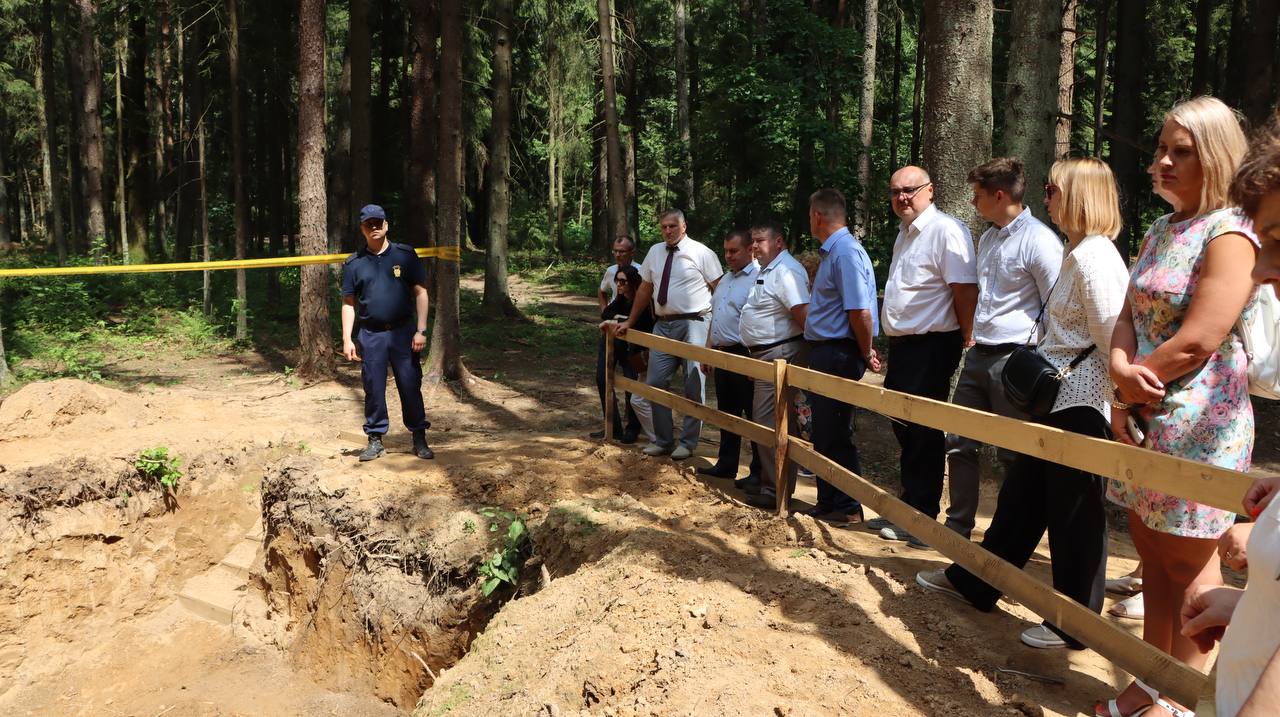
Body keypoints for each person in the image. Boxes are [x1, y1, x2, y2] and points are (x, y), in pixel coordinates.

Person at [916, 157, 1129, 652]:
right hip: (1057, 400)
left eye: (1054, 188)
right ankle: (979, 580)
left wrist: (1119, 406)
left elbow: (1110, 338)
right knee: (1022, 500)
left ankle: (1074, 622)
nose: (1046, 196)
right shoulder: (1079, 252)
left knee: (1075, 511)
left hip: (1081, 403)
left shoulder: (1095, 257)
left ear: (1078, 196)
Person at [1103, 96, 1258, 717]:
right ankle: (1150, 681)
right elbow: (1126, 314)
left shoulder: (1231, 231)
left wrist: (1133, 383)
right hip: (1147, 415)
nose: (1162, 162)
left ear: (1215, 158)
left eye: (1181, 152)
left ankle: (1187, 701)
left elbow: (1201, 337)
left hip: (1201, 426)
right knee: (1152, 557)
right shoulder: (1161, 228)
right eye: (1161, 149)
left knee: (1191, 567)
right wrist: (1120, 376)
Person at [944, 157, 1062, 540]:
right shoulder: (988, 237)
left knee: (1014, 454)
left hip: (1017, 359)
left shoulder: (1041, 241)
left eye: (978, 196)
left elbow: (1055, 308)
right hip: (979, 354)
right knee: (959, 441)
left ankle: (1006, 537)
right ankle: (957, 527)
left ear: (999, 195)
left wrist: (1040, 362)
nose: (974, 204)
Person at [875, 166, 977, 548]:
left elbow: (964, 289)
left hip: (934, 345)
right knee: (903, 424)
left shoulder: (945, 230)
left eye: (910, 190)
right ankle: (909, 505)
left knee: (922, 430)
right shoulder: (905, 233)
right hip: (905, 348)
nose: (902, 197)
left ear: (930, 191)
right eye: (895, 191)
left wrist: (967, 335)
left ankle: (920, 516)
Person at [617, 209, 723, 460]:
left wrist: (714, 331)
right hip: (662, 324)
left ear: (684, 226)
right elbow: (645, 288)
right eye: (663, 226)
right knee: (654, 383)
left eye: (673, 226)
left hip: (694, 321)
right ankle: (663, 440)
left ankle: (687, 442)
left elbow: (720, 289)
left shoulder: (702, 252)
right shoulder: (655, 252)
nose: (668, 231)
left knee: (693, 383)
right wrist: (631, 321)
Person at [801, 189, 880, 524]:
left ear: (817, 216)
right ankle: (829, 499)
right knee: (823, 430)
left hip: (838, 352)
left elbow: (860, 311)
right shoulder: (832, 253)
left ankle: (848, 506)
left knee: (835, 431)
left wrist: (864, 352)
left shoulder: (845, 252)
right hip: (825, 351)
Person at [340, 204, 434, 462]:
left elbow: (421, 293)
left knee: (410, 385)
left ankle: (419, 437)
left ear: (386, 225)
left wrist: (421, 330)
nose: (374, 228)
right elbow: (348, 303)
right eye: (369, 224)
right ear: (362, 229)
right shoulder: (354, 264)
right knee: (373, 388)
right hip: (371, 335)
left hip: (404, 333)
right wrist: (347, 338)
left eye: (378, 223)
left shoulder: (405, 255)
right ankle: (375, 440)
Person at [738, 219, 809, 510]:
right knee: (767, 423)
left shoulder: (788, 272)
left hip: (780, 355)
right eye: (752, 241)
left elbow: (803, 316)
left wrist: (800, 358)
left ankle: (776, 490)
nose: (754, 246)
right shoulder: (767, 270)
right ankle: (772, 485)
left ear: (779, 242)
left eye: (760, 241)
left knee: (771, 424)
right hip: (763, 356)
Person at [697, 230, 763, 483]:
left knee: (753, 414)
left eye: (733, 251)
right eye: (725, 251)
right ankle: (726, 464)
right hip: (722, 353)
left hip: (744, 354)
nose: (728, 256)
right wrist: (708, 349)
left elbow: (757, 320)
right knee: (727, 412)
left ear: (751, 250)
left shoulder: (758, 278)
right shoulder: (725, 279)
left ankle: (758, 471)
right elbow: (716, 316)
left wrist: (752, 357)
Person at [599, 264, 657, 444]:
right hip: (626, 349)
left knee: (638, 394)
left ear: (632, 282)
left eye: (623, 281)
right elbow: (606, 313)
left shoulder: (644, 300)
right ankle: (618, 429)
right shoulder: (621, 299)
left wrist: (621, 320)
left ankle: (642, 432)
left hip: (643, 353)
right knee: (634, 396)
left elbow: (642, 321)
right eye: (617, 281)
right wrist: (621, 320)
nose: (619, 285)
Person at [594, 236, 644, 442]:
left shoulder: (642, 271)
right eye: (615, 250)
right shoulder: (610, 271)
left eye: (622, 251)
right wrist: (606, 312)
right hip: (611, 333)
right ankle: (612, 425)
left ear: (632, 252)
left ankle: (633, 427)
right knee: (602, 376)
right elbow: (602, 291)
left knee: (632, 379)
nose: (618, 255)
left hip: (631, 335)